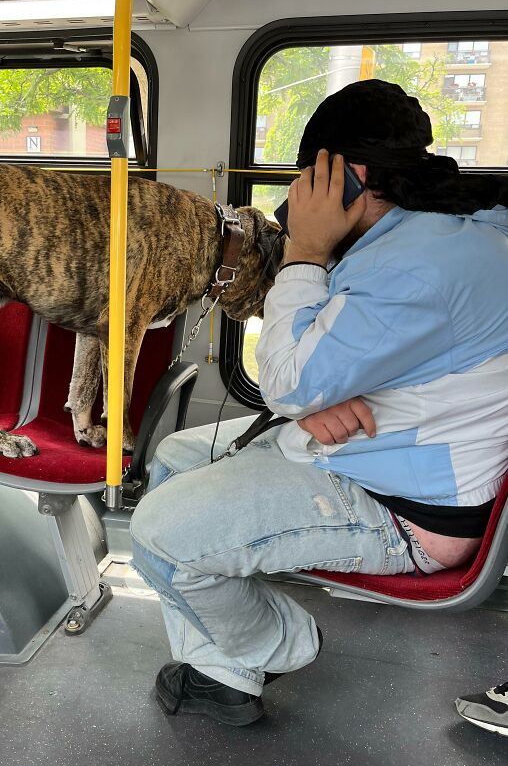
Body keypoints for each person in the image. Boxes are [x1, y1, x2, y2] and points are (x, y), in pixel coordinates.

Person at [130, 79, 508, 727]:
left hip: (403, 510)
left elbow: (283, 378)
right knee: (174, 455)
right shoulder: (435, 235)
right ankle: (223, 674)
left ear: (349, 178)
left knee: (155, 535)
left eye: (310, 178)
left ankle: (278, 645)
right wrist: (308, 403)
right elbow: (321, 365)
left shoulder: (416, 268)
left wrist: (305, 252)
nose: (297, 197)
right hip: (376, 447)